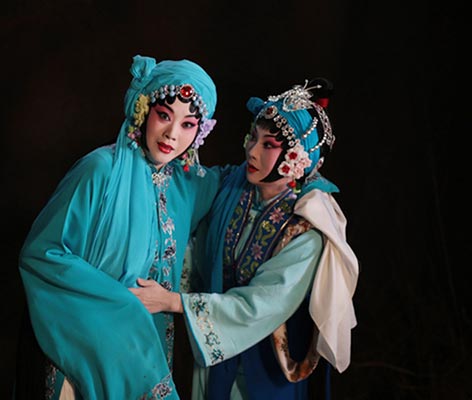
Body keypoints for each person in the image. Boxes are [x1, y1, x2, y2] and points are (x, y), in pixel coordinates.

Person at [130, 79, 359, 399]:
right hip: (216, 364)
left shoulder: (305, 232)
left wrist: (172, 301)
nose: (252, 151)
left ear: (298, 157)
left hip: (267, 371)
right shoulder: (234, 184)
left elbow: (260, 305)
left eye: (268, 145)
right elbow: (186, 190)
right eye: (253, 137)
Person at [15, 54, 223, 400]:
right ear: (143, 110)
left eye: (188, 125)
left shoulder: (190, 184)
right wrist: (122, 307)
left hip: (144, 355)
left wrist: (306, 180)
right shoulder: (100, 170)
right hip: (85, 345)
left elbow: (246, 184)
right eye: (164, 115)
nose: (172, 134)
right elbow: (42, 254)